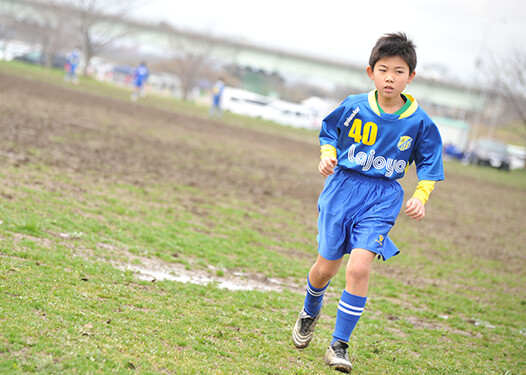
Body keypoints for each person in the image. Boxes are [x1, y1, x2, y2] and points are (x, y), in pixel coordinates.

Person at [292, 32, 444, 373]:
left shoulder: (420, 122)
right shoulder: (355, 105)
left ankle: (339, 345)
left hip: (383, 197)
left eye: (400, 71)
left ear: (411, 77)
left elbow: (431, 165)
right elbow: (329, 132)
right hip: (343, 189)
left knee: (359, 267)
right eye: (384, 69)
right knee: (325, 269)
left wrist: (421, 196)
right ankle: (310, 309)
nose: (391, 77)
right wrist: (327, 156)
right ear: (371, 72)